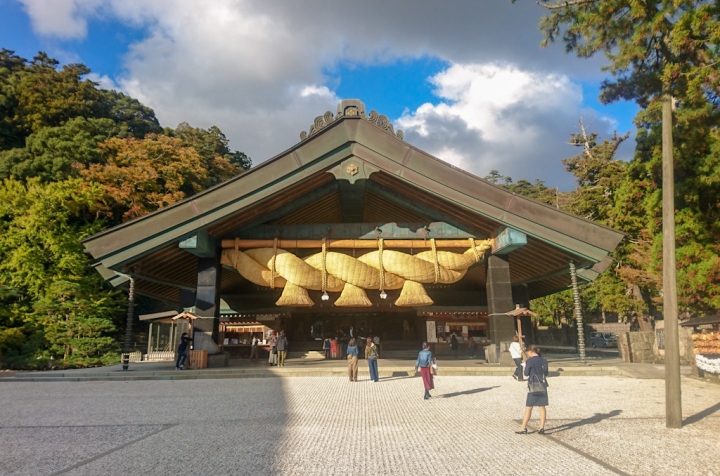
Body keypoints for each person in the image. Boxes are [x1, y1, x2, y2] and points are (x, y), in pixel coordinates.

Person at [516, 345, 549, 435]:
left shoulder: (529, 361)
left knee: (529, 408)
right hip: (542, 386)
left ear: (530, 351)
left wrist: (526, 366)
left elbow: (526, 373)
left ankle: (523, 427)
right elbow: (546, 373)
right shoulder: (543, 361)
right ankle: (541, 428)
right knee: (542, 407)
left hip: (533, 386)